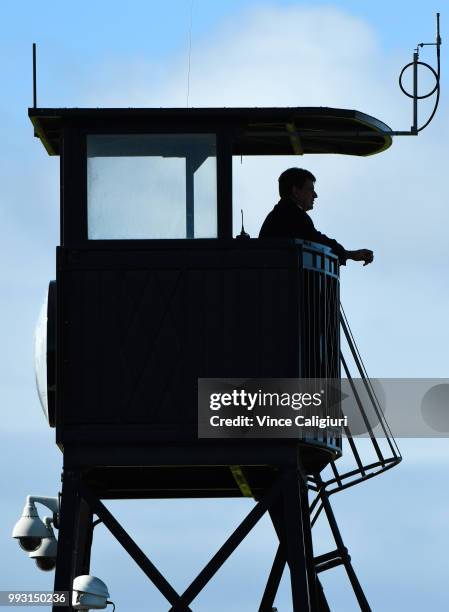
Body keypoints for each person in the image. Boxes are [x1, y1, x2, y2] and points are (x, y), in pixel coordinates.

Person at [259, 167, 373, 266]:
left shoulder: (281, 213)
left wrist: (349, 254)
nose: (315, 195)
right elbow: (317, 240)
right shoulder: (293, 215)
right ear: (295, 191)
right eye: (310, 190)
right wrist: (350, 254)